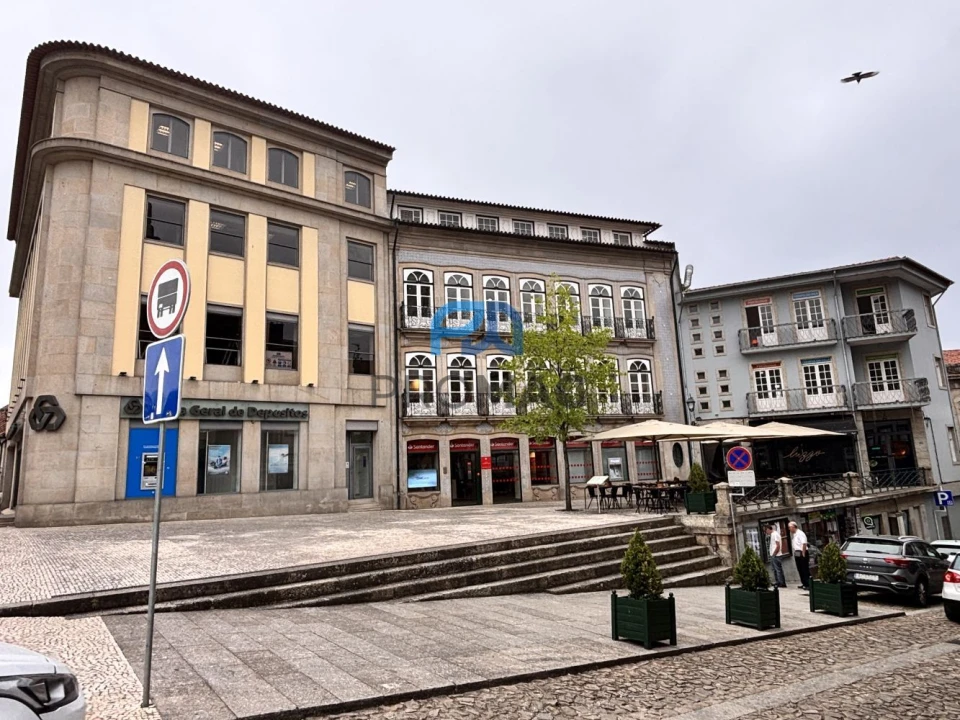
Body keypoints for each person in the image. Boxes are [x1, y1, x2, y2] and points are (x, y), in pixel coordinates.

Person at [789, 521, 810, 590]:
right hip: (797, 552)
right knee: (800, 568)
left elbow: (804, 543)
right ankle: (803, 583)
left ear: (793, 527)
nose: (789, 529)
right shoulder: (794, 534)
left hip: (802, 552)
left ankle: (808, 584)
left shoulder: (800, 533)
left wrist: (803, 553)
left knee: (804, 569)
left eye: (790, 527)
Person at [764, 524, 787, 588]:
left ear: (769, 529)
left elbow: (778, 545)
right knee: (775, 569)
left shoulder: (775, 534)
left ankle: (781, 583)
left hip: (776, 555)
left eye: (766, 531)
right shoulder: (772, 534)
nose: (766, 532)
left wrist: (774, 554)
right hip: (774, 554)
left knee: (778, 569)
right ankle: (778, 582)